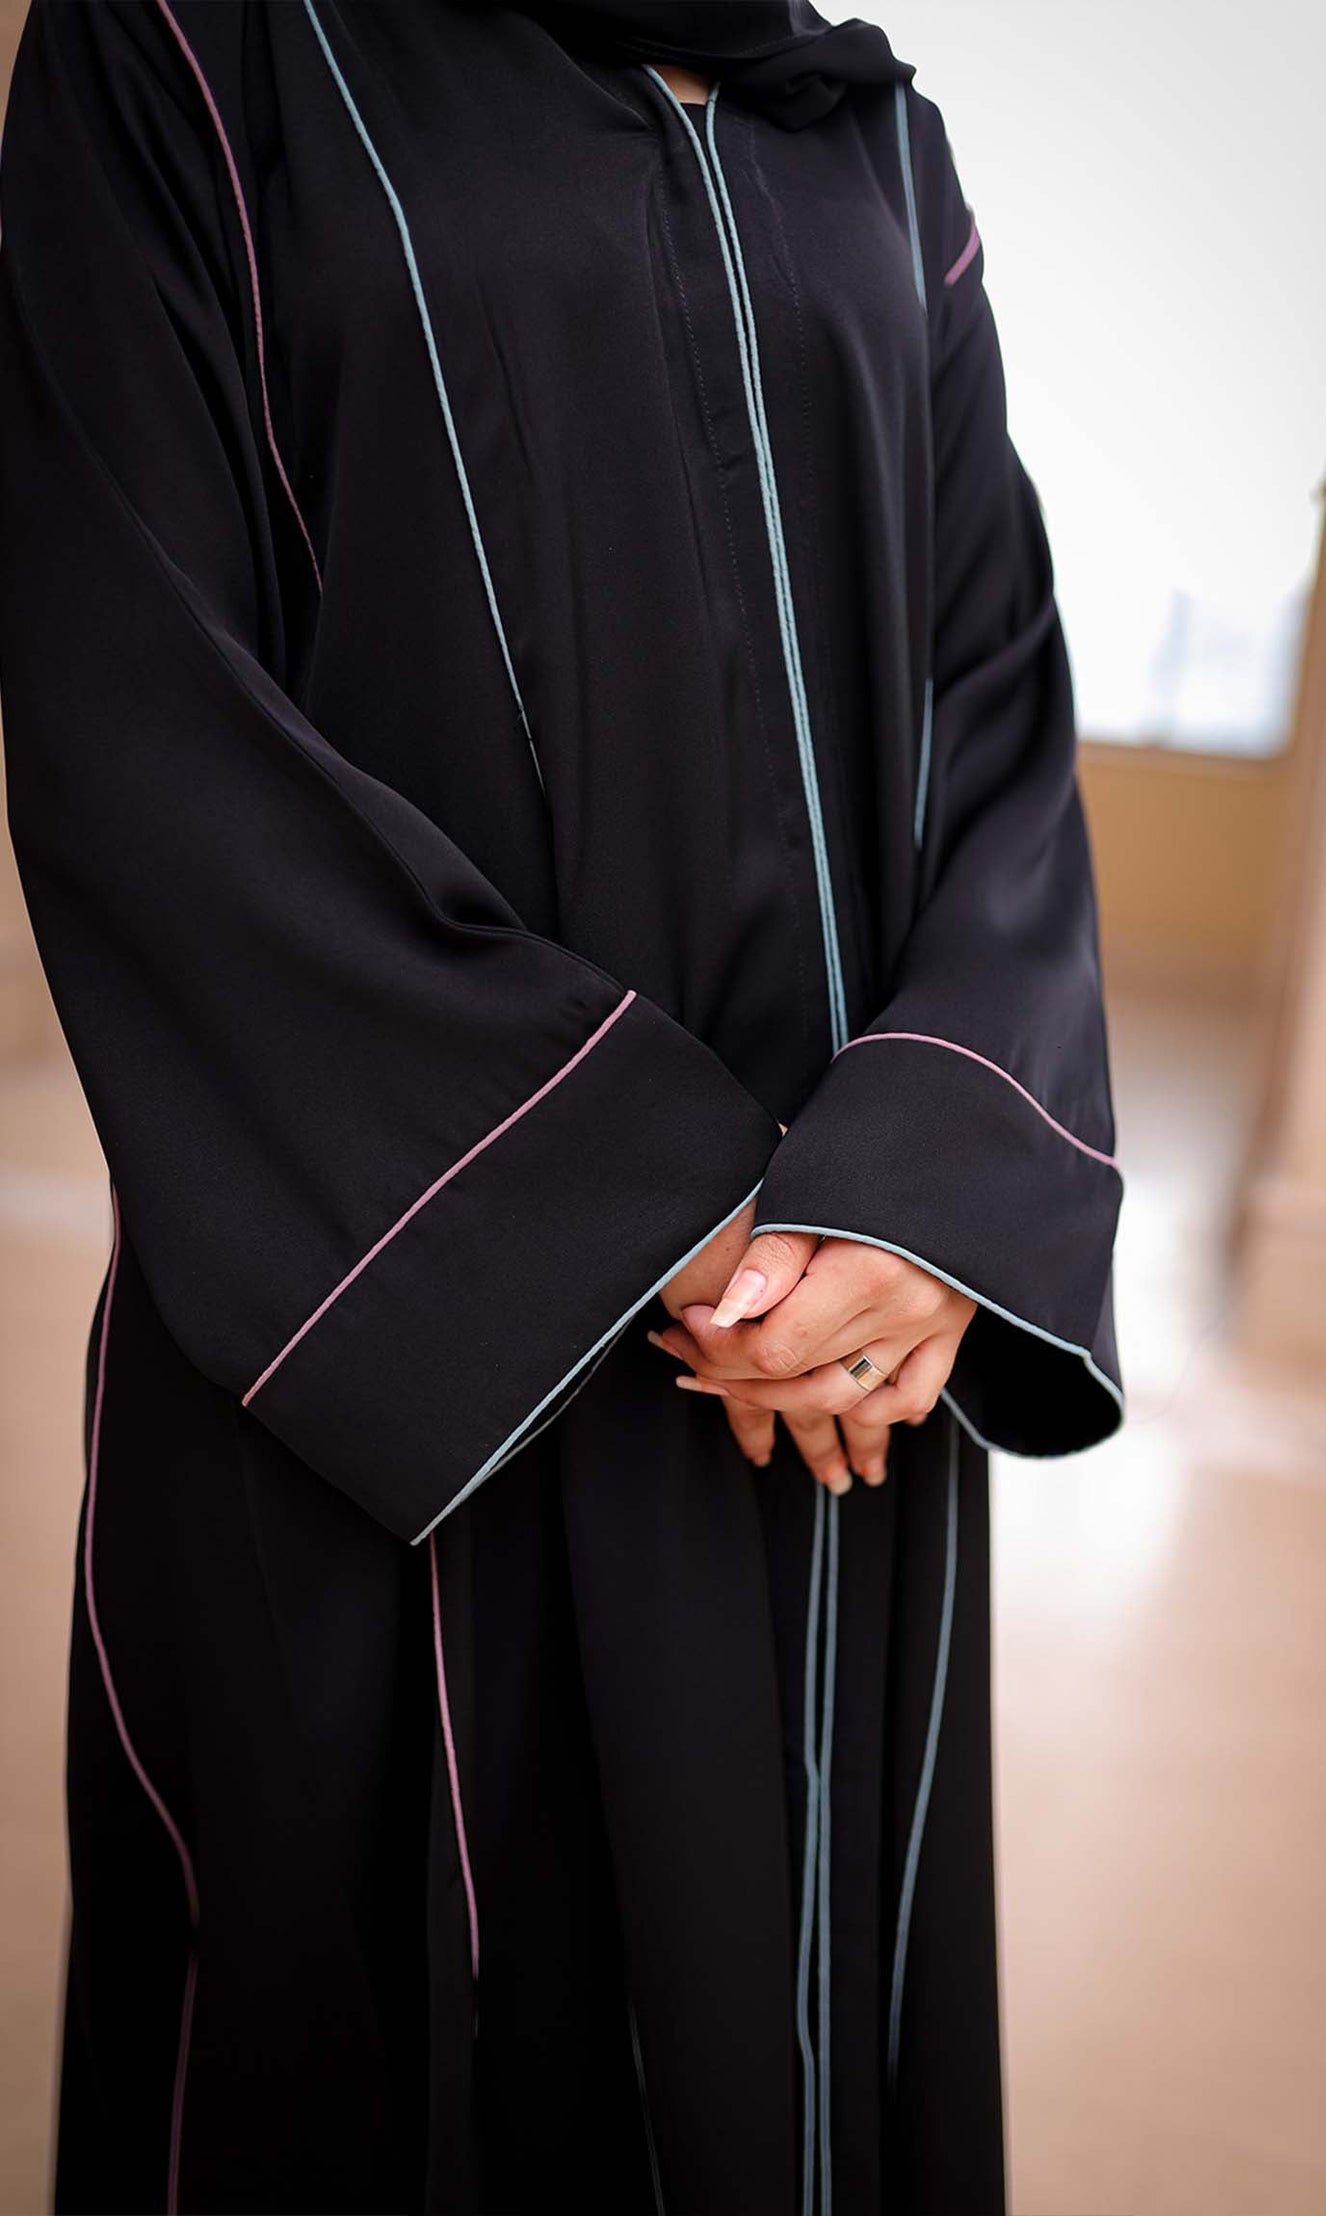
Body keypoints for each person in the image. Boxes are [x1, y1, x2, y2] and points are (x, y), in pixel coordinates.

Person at [0, 2, 1123, 2209]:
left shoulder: (871, 139)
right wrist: (671, 1220)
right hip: (379, 1331)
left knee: (789, 2029)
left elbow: (1002, 710)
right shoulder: (186, 54)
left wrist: (922, 1194)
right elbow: (133, 695)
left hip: (828, 1384)